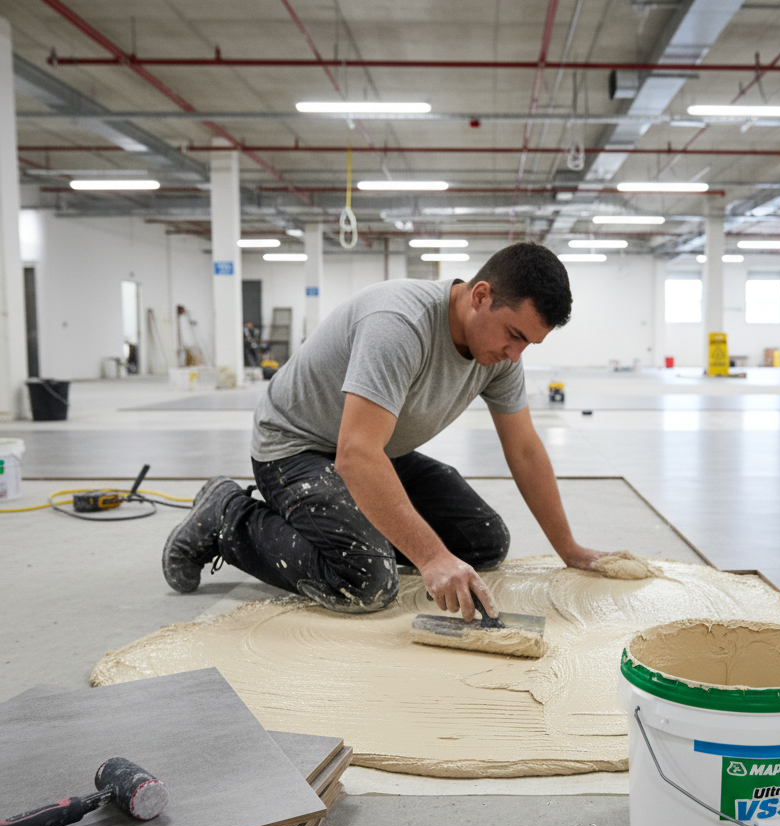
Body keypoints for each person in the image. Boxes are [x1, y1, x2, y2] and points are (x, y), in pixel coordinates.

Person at [162, 242, 606, 621]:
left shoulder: (501, 354)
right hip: (295, 449)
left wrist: (568, 548)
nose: (515, 353)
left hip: (375, 448)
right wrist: (431, 558)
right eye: (514, 335)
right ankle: (227, 517)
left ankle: (347, 528)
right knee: (366, 580)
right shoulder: (400, 324)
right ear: (481, 296)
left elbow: (525, 450)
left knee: (484, 541)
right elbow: (355, 456)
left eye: (528, 342)